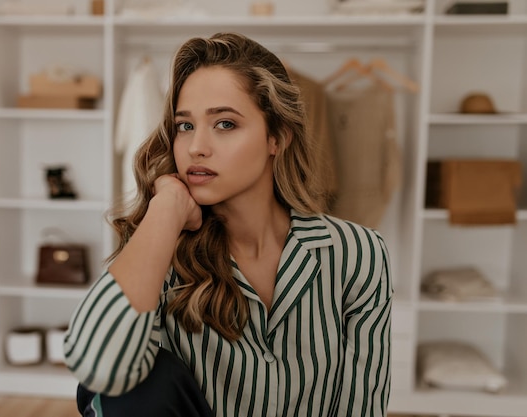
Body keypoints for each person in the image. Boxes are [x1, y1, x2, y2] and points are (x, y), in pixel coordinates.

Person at [63, 32, 393, 417]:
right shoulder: (160, 253)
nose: (196, 147)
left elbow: (362, 408)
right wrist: (166, 206)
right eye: (184, 126)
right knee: (141, 383)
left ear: (277, 138)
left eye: (224, 124)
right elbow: (98, 369)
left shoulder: (358, 254)